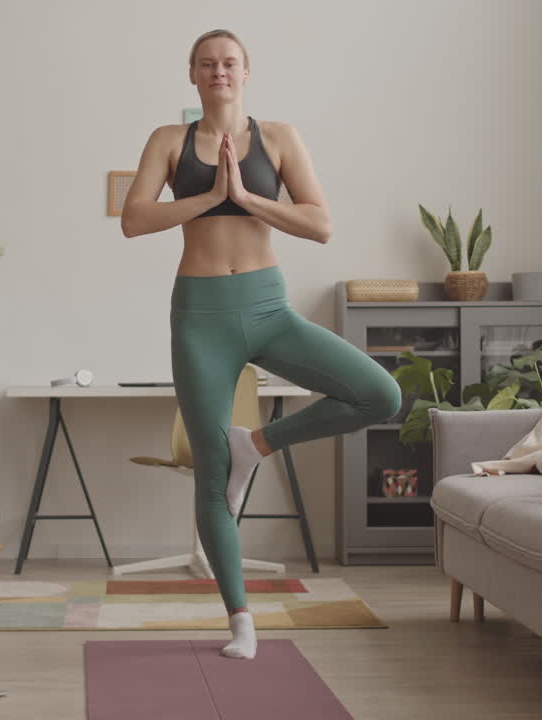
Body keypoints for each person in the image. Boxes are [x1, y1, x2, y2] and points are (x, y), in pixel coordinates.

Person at [120, 29, 401, 660]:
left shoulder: (278, 137)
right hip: (199, 316)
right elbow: (134, 220)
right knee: (211, 474)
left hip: (269, 307)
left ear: (247, 72)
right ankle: (241, 621)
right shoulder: (168, 141)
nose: (218, 71)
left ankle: (260, 444)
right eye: (206, 63)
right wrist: (209, 197)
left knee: (380, 394)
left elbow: (321, 224)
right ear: (192, 75)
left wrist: (245, 196)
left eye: (229, 62)